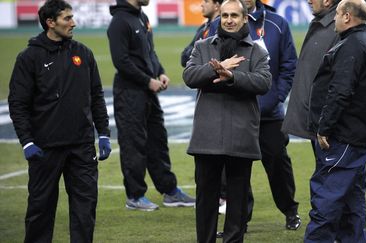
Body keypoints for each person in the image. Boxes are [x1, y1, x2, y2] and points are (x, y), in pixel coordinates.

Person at [8, 0, 111, 242]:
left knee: (85, 210)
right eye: (67, 18)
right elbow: (18, 104)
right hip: (45, 149)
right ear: (50, 23)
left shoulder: (83, 53)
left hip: (82, 147)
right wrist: (27, 142)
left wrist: (103, 132)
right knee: (40, 210)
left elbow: (96, 95)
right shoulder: (29, 57)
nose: (73, 23)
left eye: (72, 17)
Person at [182, 0, 272, 241]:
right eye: (224, 16)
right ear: (218, 18)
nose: (229, 20)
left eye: (234, 15)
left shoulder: (257, 51)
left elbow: (263, 82)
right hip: (207, 136)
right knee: (206, 200)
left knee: (238, 201)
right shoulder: (202, 47)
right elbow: (189, 76)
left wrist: (232, 76)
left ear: (244, 19)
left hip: (241, 135)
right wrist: (217, 68)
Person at [210, 0, 300, 234]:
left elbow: (290, 63)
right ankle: (238, 222)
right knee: (234, 170)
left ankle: (290, 210)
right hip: (234, 112)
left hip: (269, 114)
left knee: (278, 164)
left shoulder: (277, 23)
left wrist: (276, 97)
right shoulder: (221, 24)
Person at [304, 0, 366, 241]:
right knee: (352, 202)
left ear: (348, 17)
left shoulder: (351, 46)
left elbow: (340, 92)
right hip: (359, 135)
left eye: (338, 14)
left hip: (344, 137)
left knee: (326, 199)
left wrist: (324, 128)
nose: (335, 19)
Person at [107, 0, 195, 211]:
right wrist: (147, 81)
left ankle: (170, 191)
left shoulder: (141, 17)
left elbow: (150, 52)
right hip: (129, 93)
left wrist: (161, 72)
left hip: (148, 91)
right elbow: (121, 61)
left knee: (158, 141)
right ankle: (135, 196)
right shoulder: (119, 22)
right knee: (133, 145)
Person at [281, 0, 341, 142]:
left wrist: (326, 123)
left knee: (333, 164)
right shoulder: (321, 24)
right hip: (317, 120)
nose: (308, 1)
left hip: (327, 124)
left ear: (327, 1)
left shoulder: (336, 29)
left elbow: (339, 82)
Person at [181, 0, 223, 68]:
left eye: (206, 1)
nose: (202, 5)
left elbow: (209, 58)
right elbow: (184, 58)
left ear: (216, 5)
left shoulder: (221, 27)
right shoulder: (203, 27)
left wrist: (196, 52)